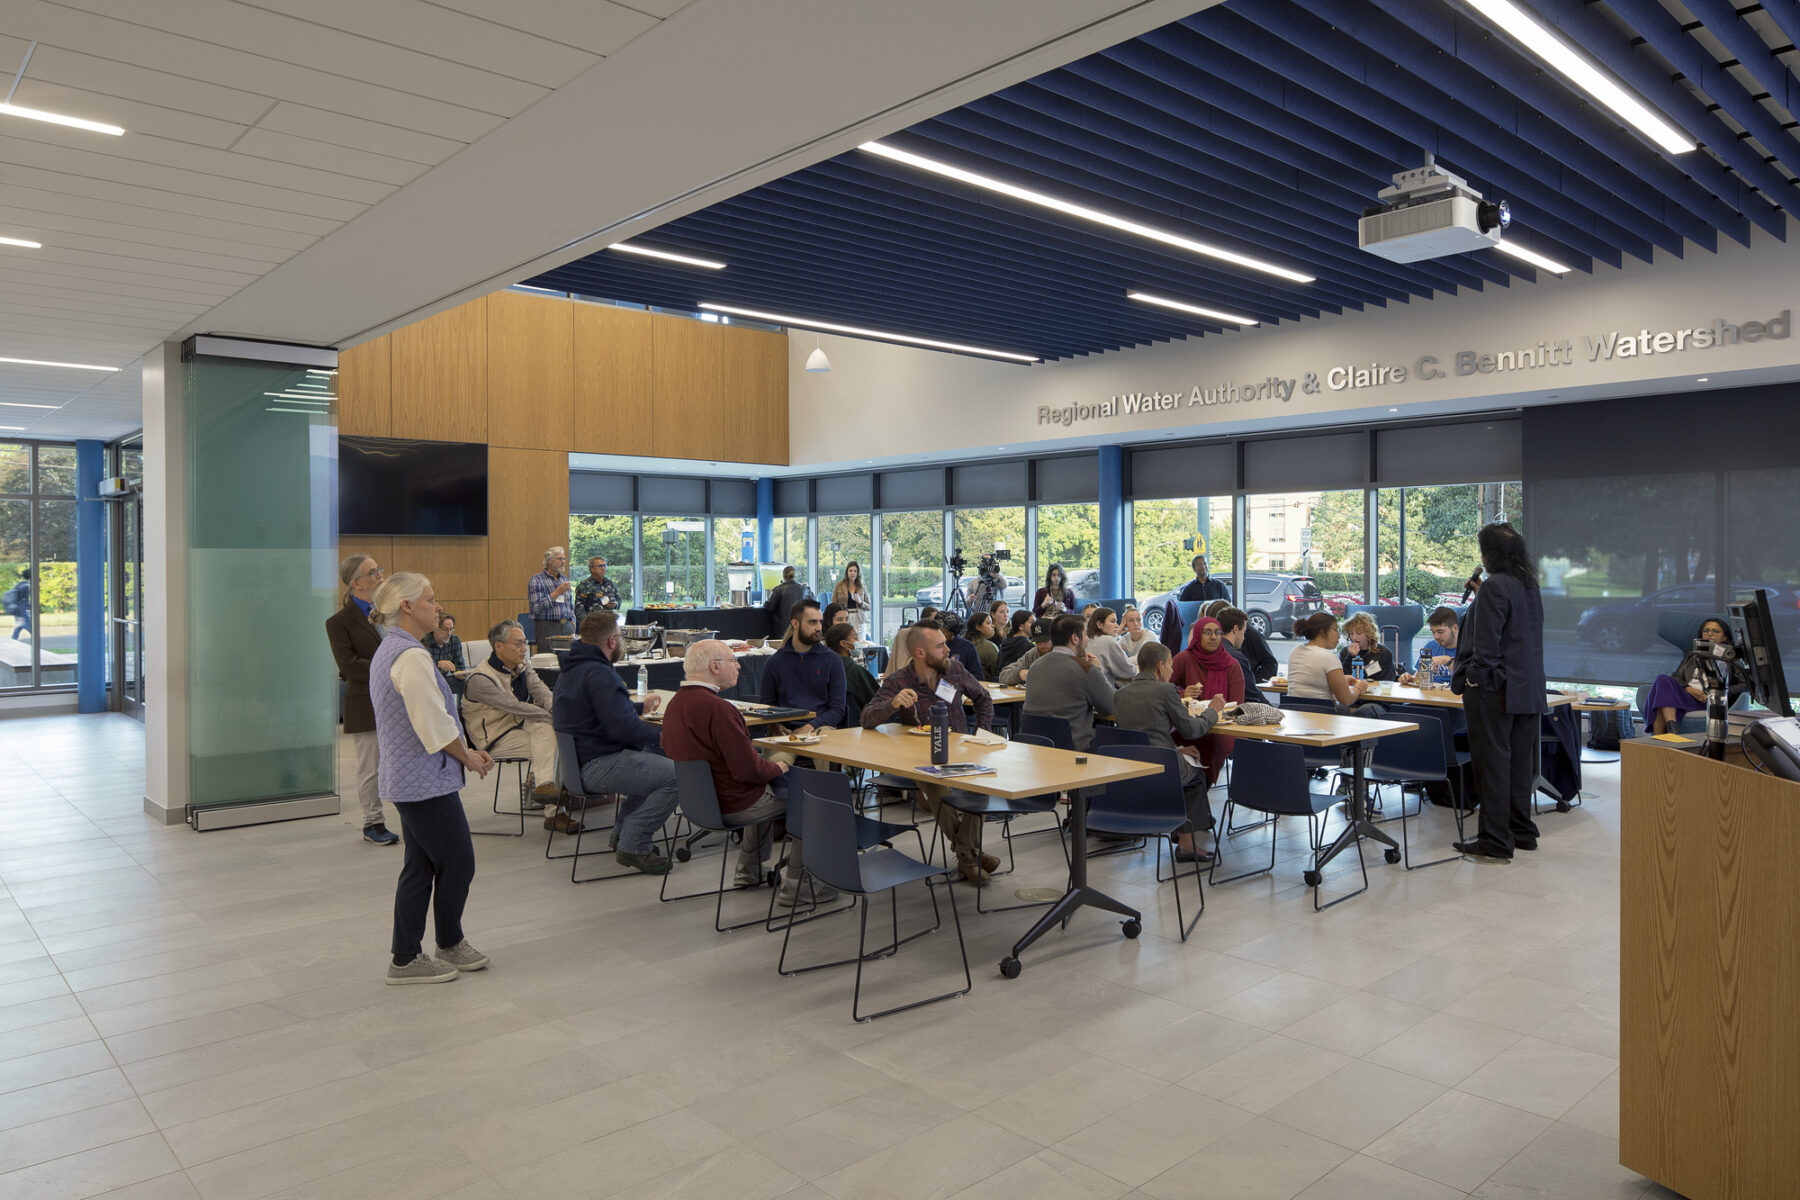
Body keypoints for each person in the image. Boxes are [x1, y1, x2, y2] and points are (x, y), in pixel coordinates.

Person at [367, 572, 493, 985]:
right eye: (431, 600)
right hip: (422, 782)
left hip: (412, 779)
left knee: (420, 867)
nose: (437, 607)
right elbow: (433, 725)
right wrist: (470, 757)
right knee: (458, 862)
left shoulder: (392, 649)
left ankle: (406, 957)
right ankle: (447, 943)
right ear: (407, 607)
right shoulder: (411, 656)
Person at [660, 640, 810, 895]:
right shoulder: (719, 710)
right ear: (715, 667)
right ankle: (799, 886)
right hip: (734, 804)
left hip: (699, 804)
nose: (738, 666)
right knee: (811, 804)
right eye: (733, 660)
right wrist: (779, 767)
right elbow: (747, 771)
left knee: (763, 785)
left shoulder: (674, 705)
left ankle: (748, 870)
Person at [861, 621, 998, 884]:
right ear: (920, 653)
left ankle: (966, 854)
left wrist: (983, 734)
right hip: (920, 759)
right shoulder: (899, 681)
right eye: (940, 645)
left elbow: (983, 698)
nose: (948, 648)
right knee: (936, 790)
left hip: (961, 754)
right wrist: (892, 703)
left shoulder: (955, 670)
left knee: (981, 785)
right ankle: (970, 857)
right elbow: (866, 717)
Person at [552, 610, 679, 874]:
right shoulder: (600, 674)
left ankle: (622, 834)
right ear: (611, 641)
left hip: (579, 763)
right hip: (598, 763)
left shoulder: (573, 670)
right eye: (620, 637)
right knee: (677, 775)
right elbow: (625, 731)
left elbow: (598, 713)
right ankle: (635, 844)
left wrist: (637, 707)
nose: (620, 643)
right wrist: (669, 738)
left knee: (655, 757)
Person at [1452, 523, 1549, 863]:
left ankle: (1494, 838)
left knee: (1492, 763)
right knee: (1519, 764)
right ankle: (1522, 831)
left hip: (1495, 689)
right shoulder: (1527, 585)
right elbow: (1518, 633)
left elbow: (1488, 647)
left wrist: (1475, 680)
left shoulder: (1495, 586)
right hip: (1528, 687)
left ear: (1488, 554)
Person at [1114, 642, 1227, 862]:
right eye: (1171, 665)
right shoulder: (1165, 690)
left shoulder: (1121, 693)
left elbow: (1143, 734)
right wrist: (1213, 711)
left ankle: (1179, 827)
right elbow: (1192, 730)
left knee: (1186, 763)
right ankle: (1186, 842)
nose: (1173, 671)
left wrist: (1176, 748)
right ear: (1160, 665)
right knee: (1197, 776)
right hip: (1161, 767)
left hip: (1131, 766)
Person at [325, 554, 400, 846]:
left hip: (397, 699)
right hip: (365, 701)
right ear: (355, 582)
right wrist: (391, 668)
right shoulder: (339, 622)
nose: (380, 575)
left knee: (399, 760)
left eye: (379, 569)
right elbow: (348, 665)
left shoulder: (390, 613)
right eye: (372, 572)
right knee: (370, 767)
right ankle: (373, 822)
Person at [461, 619, 559, 806]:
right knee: (553, 746)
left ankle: (544, 789)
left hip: (519, 725)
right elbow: (514, 706)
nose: (525, 648)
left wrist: (556, 709)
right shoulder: (480, 679)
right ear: (499, 646)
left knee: (551, 733)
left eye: (525, 643)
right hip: (494, 738)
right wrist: (552, 716)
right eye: (519, 644)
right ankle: (554, 809)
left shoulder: (523, 665)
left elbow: (542, 691)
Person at [1022, 613, 1115, 751]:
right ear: (1075, 638)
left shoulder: (1035, 666)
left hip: (1036, 750)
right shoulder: (1086, 669)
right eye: (1086, 635)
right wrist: (1098, 670)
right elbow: (1110, 707)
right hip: (1075, 750)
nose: (1088, 640)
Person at [1645, 616, 1750, 734]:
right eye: (1706, 631)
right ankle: (1671, 725)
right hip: (1687, 696)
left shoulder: (1732, 658)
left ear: (1724, 636)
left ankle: (1662, 737)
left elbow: (1746, 684)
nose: (1710, 634)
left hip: (1709, 700)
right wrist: (1688, 689)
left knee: (1660, 700)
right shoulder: (1692, 654)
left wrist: (1717, 692)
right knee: (1662, 679)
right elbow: (1676, 677)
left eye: (1715, 631)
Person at [1170, 616, 1243, 785]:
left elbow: (1237, 706)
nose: (1213, 637)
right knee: (1170, 741)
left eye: (1217, 633)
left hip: (1221, 728)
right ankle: (1186, 793)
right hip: (1188, 724)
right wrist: (1183, 693)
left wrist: (1216, 710)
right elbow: (1163, 689)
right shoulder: (1184, 658)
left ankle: (1201, 788)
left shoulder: (1231, 665)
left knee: (1212, 745)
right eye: (1207, 632)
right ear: (1197, 635)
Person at [761, 599, 847, 740]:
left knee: (825, 756)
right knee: (775, 761)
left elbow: (838, 709)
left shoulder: (832, 660)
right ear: (795, 624)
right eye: (812, 622)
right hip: (785, 731)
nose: (819, 627)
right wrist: (774, 725)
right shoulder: (774, 662)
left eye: (820, 621)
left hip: (821, 728)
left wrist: (809, 727)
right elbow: (766, 706)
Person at [1287, 612, 1373, 713]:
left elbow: (1312, 682)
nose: (1338, 635)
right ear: (1323, 632)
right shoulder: (1328, 658)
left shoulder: (1296, 651)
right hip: (1320, 715)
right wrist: (1359, 688)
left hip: (1293, 713)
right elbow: (1346, 699)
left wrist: (1341, 680)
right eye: (1335, 630)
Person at [1216, 607, 1270, 707]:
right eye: (1244, 632)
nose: (1244, 637)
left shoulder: (1210, 651)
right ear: (1235, 629)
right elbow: (1252, 694)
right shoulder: (1236, 658)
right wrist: (1274, 711)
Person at [827, 621, 878, 724]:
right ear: (843, 644)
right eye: (855, 638)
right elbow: (878, 702)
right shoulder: (855, 671)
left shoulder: (824, 668)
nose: (859, 641)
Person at [1401, 606, 1462, 686]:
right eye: (1433, 632)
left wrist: (1446, 660)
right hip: (1431, 695)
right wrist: (1409, 679)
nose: (1436, 637)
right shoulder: (1431, 646)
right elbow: (1418, 677)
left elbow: (1470, 676)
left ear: (1455, 628)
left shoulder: (1469, 648)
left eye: (1440, 632)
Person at [528, 546, 576, 649]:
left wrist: (573, 620)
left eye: (564, 559)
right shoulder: (537, 580)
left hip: (567, 626)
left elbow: (570, 604)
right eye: (559, 559)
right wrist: (557, 593)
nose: (563, 562)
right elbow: (535, 608)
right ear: (549, 561)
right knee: (548, 660)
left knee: (568, 660)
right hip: (547, 627)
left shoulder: (564, 579)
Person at [1084, 606, 1139, 686]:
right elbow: (1130, 671)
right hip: (1104, 692)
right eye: (1113, 621)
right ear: (1099, 624)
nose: (1117, 625)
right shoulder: (1108, 640)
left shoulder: (1087, 638)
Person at [1339, 612, 1396, 683]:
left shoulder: (1383, 653)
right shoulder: (1345, 652)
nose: (1354, 637)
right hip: (1351, 691)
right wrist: (1350, 657)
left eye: (1359, 633)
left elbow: (1387, 681)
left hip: (1375, 691)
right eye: (1351, 633)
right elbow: (1341, 678)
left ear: (1369, 633)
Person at [998, 617, 1054, 687]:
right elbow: (1003, 675)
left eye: (1045, 640)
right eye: (1038, 641)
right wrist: (1019, 673)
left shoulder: (1063, 654)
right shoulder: (1034, 653)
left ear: (1055, 638)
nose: (1041, 645)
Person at [574, 556, 621, 624]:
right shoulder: (584, 585)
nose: (603, 568)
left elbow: (619, 599)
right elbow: (579, 608)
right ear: (591, 568)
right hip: (593, 625)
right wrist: (586, 623)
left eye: (604, 566)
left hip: (609, 623)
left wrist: (615, 604)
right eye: (600, 566)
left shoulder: (610, 583)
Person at [764, 566, 807, 639]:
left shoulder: (778, 589)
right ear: (795, 576)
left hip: (782, 630)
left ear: (783, 576)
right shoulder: (803, 588)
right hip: (800, 628)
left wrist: (765, 602)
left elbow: (769, 607)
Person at [939, 612, 983, 680]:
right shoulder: (931, 645)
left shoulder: (967, 647)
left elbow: (978, 676)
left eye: (941, 631)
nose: (938, 633)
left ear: (952, 632)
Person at [830, 562, 868, 629]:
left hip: (859, 618)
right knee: (845, 638)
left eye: (855, 571)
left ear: (858, 573)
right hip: (843, 618)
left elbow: (869, 606)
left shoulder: (862, 586)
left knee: (859, 639)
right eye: (850, 570)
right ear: (847, 572)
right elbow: (833, 603)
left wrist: (860, 602)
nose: (852, 573)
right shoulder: (839, 585)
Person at [966, 610, 1000, 680]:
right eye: (988, 623)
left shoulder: (963, 643)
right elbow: (997, 672)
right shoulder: (989, 647)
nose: (993, 626)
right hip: (982, 686)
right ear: (978, 627)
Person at [3, 567, 29, 640]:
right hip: (22, 611)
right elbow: (23, 601)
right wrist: (22, 614)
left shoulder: (21, 584)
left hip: (18, 609)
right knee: (31, 627)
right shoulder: (26, 587)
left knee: (19, 627)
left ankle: (13, 640)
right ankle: (36, 642)